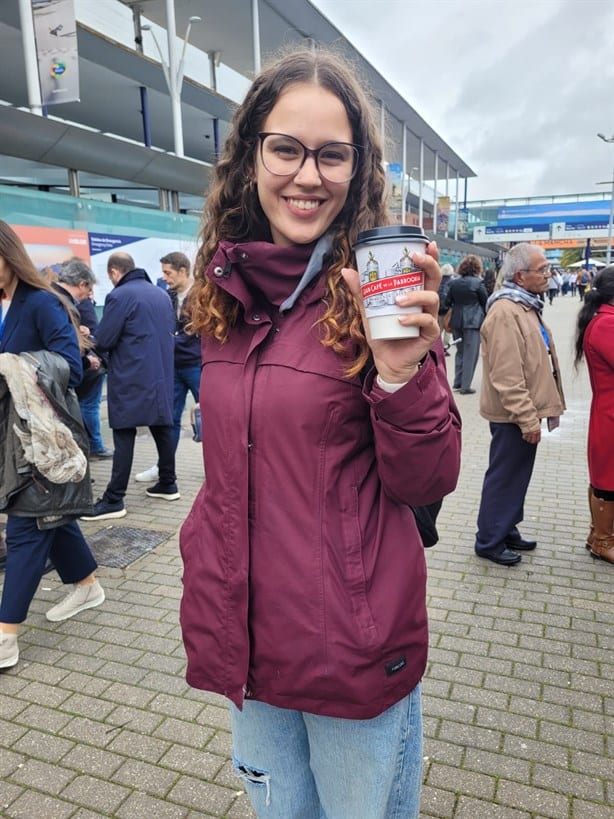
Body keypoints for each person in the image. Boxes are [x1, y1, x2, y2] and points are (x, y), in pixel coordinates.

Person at [178, 48, 461, 819]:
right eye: (287, 149)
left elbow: (427, 480)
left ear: (357, 169)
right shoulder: (222, 294)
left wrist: (401, 373)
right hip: (245, 640)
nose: (308, 175)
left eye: (332, 154)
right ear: (251, 158)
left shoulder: (380, 299)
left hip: (351, 651)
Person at [0, 221, 105, 670]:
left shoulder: (41, 303)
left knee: (25, 525)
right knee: (52, 517)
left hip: (40, 436)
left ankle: (5, 634)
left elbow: (71, 366)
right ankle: (87, 585)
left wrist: (13, 365)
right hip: (6, 435)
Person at [475, 243, 565, 566]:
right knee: (504, 474)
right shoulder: (504, 312)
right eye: (541, 270)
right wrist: (527, 418)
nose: (548, 275)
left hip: (522, 410)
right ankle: (489, 539)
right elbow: (506, 374)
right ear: (520, 276)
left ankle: (506, 526)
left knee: (516, 474)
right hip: (512, 413)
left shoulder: (524, 305)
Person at [80, 252, 178, 521]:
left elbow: (106, 338)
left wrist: (90, 338)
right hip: (160, 373)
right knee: (162, 426)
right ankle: (168, 483)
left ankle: (114, 499)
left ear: (114, 272)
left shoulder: (119, 296)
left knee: (124, 432)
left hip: (131, 375)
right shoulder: (160, 295)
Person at [135, 252, 201, 484]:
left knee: (212, 418)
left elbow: (198, 333)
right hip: (173, 366)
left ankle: (219, 469)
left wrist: (168, 340)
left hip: (198, 365)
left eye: (168, 273)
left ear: (183, 271)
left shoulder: (203, 294)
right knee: (169, 419)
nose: (164, 278)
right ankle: (163, 468)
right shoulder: (168, 296)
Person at [574, 265, 614, 564]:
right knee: (607, 479)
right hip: (610, 414)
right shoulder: (605, 325)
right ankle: (602, 540)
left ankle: (597, 535)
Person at [55, 257, 112, 459]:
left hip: (68, 370)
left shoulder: (55, 299)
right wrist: (87, 359)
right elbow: (64, 345)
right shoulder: (66, 303)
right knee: (88, 407)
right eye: (88, 291)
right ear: (82, 283)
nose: (88, 296)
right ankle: (93, 447)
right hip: (73, 370)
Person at [443, 254, 488, 394]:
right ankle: (466, 386)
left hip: (457, 321)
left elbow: (447, 302)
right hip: (473, 322)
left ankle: (458, 381)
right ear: (477, 268)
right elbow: (485, 302)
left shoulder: (454, 283)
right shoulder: (478, 283)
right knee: (471, 353)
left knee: (460, 352)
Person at [437, 262, 454, 353]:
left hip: (438, 309)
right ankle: (444, 347)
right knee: (448, 329)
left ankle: (437, 347)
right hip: (448, 310)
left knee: (438, 329)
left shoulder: (438, 280)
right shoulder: (453, 282)